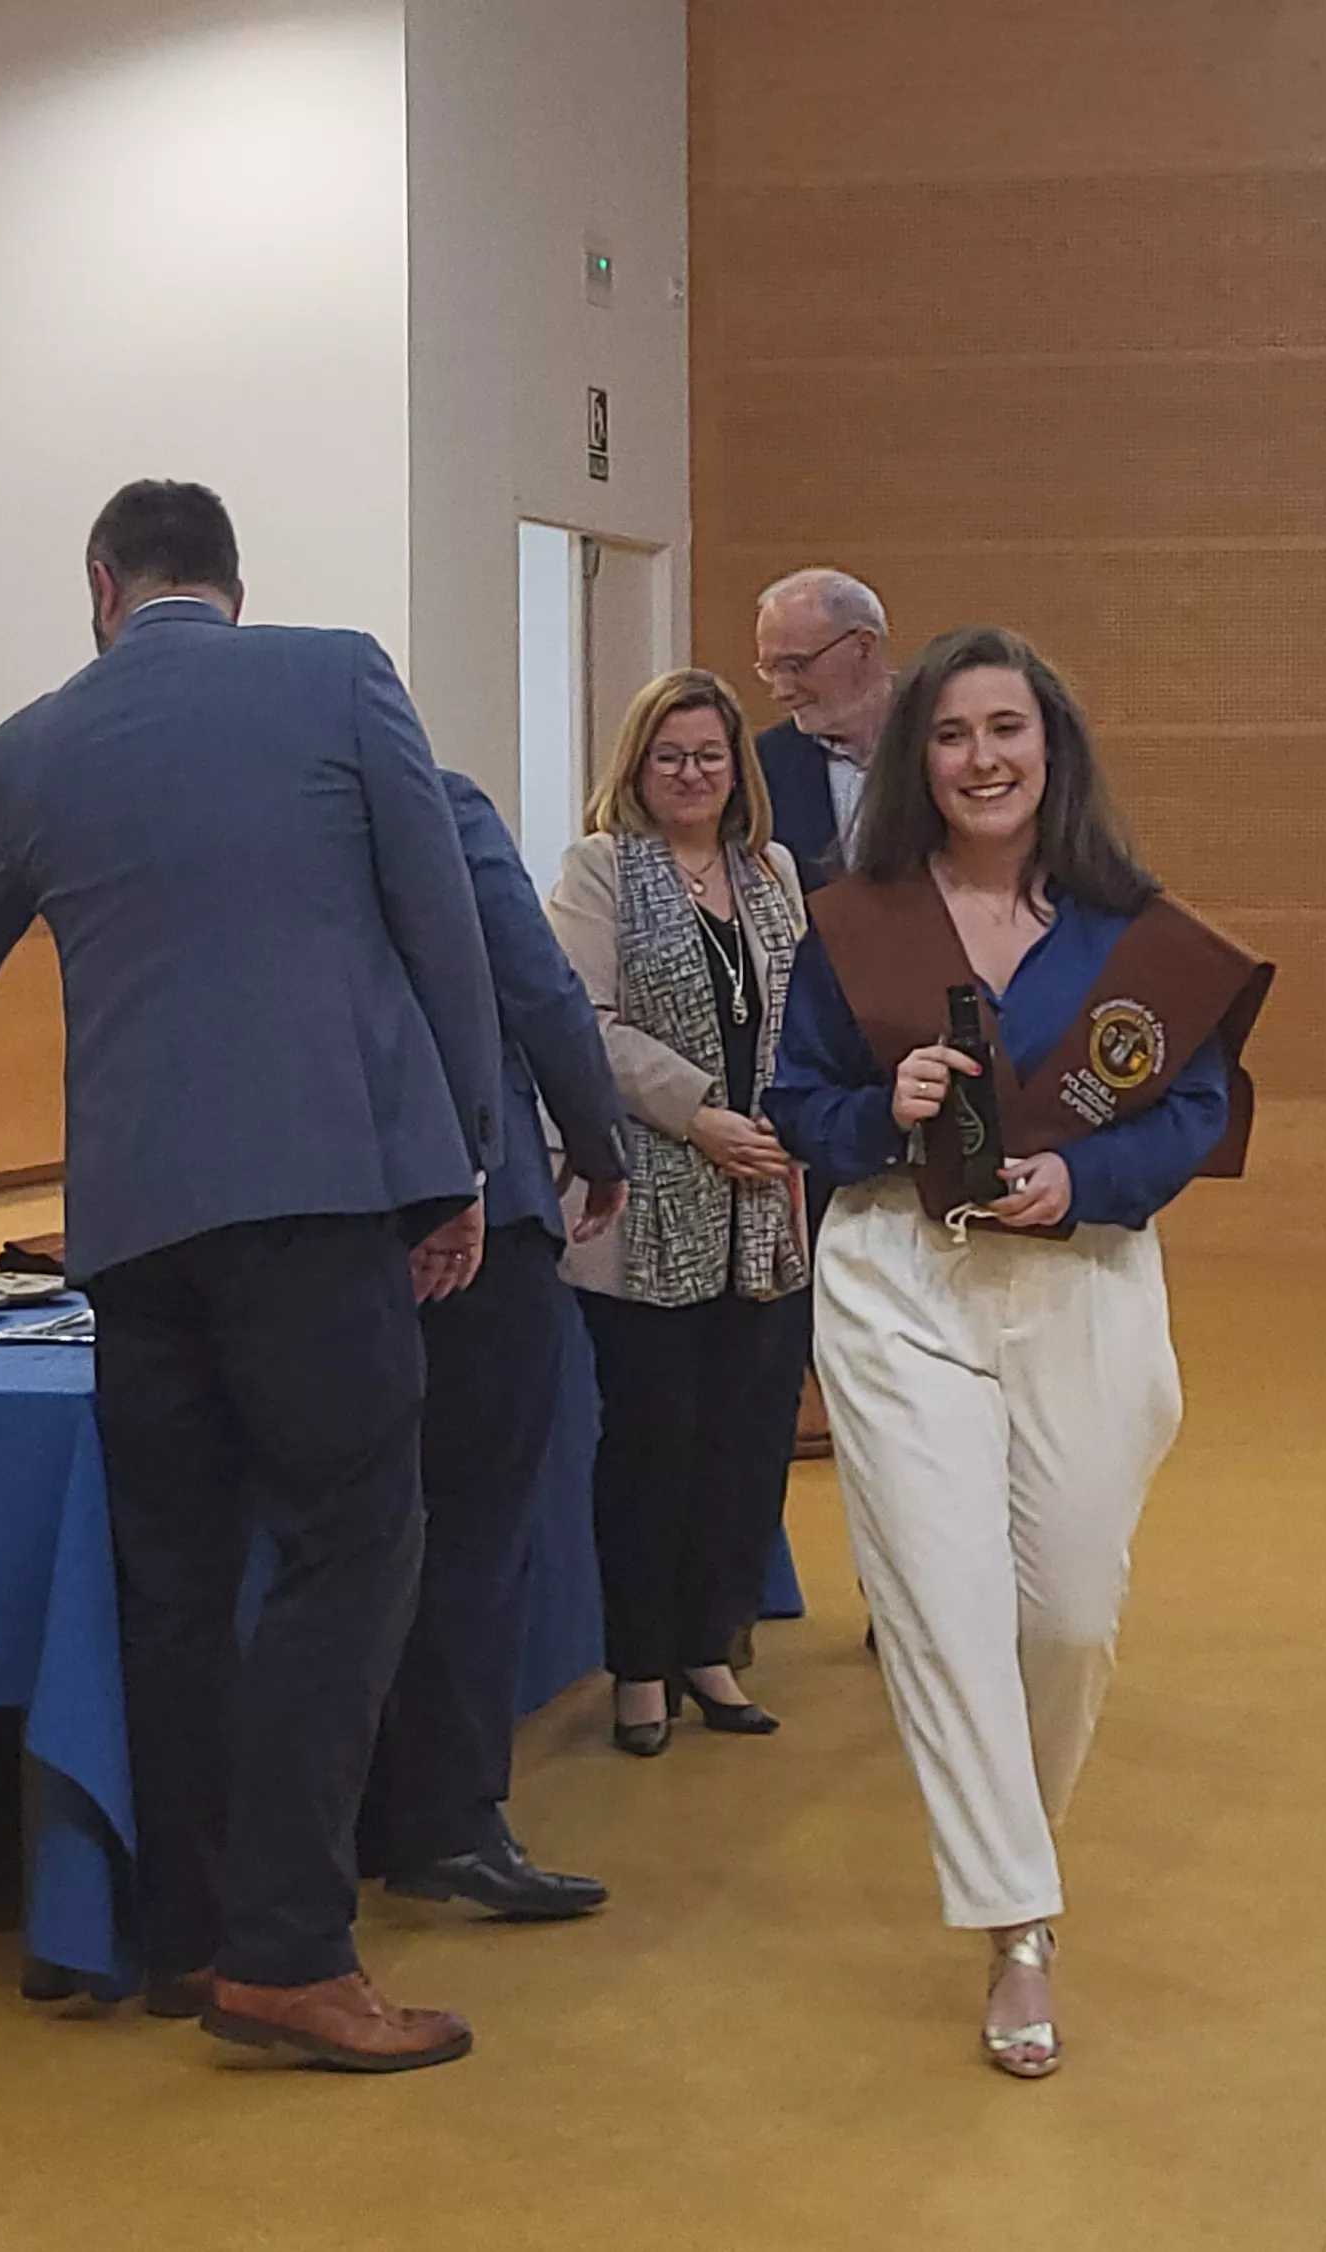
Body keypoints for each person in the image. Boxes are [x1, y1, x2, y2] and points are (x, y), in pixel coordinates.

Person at [0, 480, 500, 2075]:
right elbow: (441, 927)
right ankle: (292, 1953)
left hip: (136, 1229)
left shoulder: (36, 746)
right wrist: (466, 1161)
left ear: (100, 584)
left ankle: (182, 1935)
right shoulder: (340, 675)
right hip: (316, 1198)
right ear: (237, 581)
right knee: (351, 1547)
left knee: (173, 1580)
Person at [766, 624, 1271, 2079]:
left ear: (1051, 750)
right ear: (916, 757)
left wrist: (1083, 1184)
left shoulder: (1135, 928)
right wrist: (886, 1109)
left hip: (1084, 1281)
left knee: (1066, 1621)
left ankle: (1016, 1846)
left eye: (1007, 731)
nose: (982, 760)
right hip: (898, 1281)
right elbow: (802, 1104)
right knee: (942, 1598)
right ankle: (1019, 1928)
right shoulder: (855, 918)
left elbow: (1194, 1112)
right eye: (952, 736)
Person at [356, 764, 633, 1920]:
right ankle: (449, 1822)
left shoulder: (245, 826)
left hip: (318, 1220)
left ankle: (346, 1807)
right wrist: (599, 1138)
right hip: (479, 1205)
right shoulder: (437, 801)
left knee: (342, 1539)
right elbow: (536, 986)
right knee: (474, 1526)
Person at [548, 670, 812, 1757]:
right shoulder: (601, 868)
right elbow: (583, 1022)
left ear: (734, 767)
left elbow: (810, 1011)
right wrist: (698, 1114)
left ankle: (714, 1641)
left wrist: (788, 1117)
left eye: (708, 755)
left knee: (745, 1445)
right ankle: (640, 1664)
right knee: (652, 1446)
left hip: (766, 1200)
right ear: (636, 768)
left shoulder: (772, 870)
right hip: (647, 1191)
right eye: (670, 757)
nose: (691, 774)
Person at [750, 568, 894, 889]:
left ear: (864, 647)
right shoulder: (761, 766)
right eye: (770, 670)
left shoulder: (945, 739)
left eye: (796, 666)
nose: (781, 691)